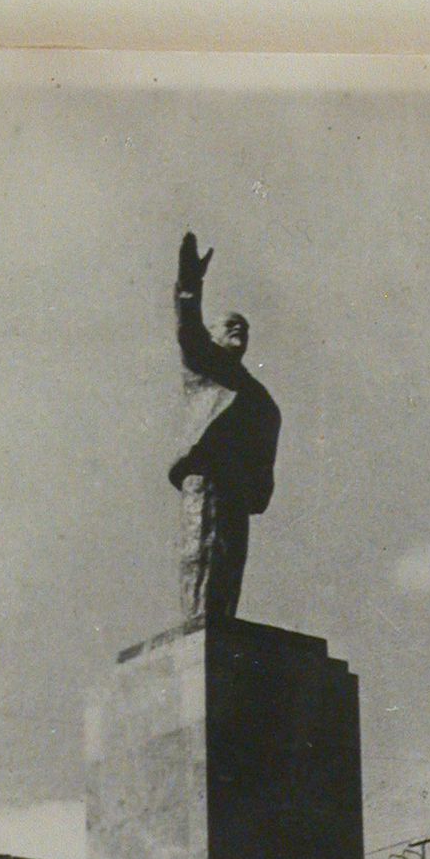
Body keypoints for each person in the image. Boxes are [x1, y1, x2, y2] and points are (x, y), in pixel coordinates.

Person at [169, 231, 282, 621]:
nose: (239, 331)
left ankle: (220, 625)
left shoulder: (256, 394)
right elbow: (188, 329)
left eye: (244, 328)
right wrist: (189, 285)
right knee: (202, 551)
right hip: (205, 475)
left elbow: (267, 435)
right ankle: (200, 626)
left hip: (236, 482)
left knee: (232, 557)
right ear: (214, 337)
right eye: (231, 325)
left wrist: (259, 485)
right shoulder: (205, 366)